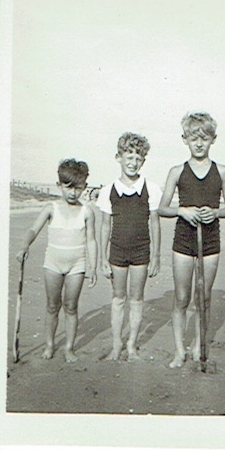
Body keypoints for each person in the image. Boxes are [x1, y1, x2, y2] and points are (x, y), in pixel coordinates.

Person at [157, 111, 225, 368]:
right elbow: (162, 208)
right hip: (183, 240)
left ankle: (197, 344)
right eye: (193, 138)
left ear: (213, 139)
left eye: (204, 138)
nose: (199, 143)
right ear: (185, 140)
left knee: (204, 296)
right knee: (182, 298)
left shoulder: (222, 171)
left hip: (211, 240)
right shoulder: (177, 172)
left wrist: (215, 212)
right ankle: (179, 350)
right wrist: (182, 210)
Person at [16, 158, 97, 363]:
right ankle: (50, 345)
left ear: (84, 187)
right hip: (53, 263)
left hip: (77, 264)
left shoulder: (87, 211)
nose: (72, 193)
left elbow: (91, 240)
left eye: (78, 188)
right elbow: (33, 230)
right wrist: (25, 245)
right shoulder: (51, 208)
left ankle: (69, 348)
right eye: (68, 187)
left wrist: (93, 267)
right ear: (59, 185)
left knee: (71, 306)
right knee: (52, 306)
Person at [96, 133, 162, 361]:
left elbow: (154, 222)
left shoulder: (151, 189)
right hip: (117, 252)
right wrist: (102, 259)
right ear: (118, 157)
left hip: (142, 252)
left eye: (138, 158)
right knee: (118, 298)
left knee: (136, 298)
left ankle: (132, 345)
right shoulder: (108, 191)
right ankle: (116, 344)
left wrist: (156, 256)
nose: (133, 162)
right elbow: (105, 226)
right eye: (129, 157)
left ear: (143, 161)